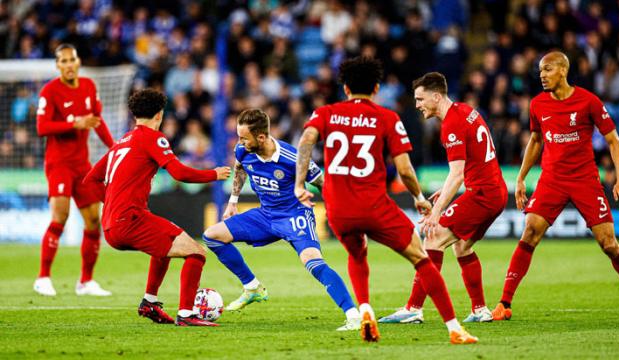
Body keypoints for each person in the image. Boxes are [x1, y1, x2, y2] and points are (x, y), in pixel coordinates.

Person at [294, 56, 477, 344]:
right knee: (421, 258)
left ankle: (365, 309)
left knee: (357, 254)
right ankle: (455, 329)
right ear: (377, 88)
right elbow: (404, 168)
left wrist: (299, 184)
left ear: (345, 88)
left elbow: (305, 140)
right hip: (375, 206)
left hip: (339, 210)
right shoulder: (387, 117)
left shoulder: (325, 112)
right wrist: (418, 197)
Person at [491, 52, 619, 321]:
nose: (542, 75)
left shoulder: (588, 101)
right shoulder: (537, 104)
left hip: (585, 180)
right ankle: (504, 303)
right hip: (552, 180)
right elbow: (536, 141)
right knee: (529, 232)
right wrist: (522, 177)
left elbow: (614, 141)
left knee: (608, 244)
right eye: (539, 71)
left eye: (547, 69)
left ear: (563, 70)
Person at [202, 108, 361, 331]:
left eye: (244, 138)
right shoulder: (244, 149)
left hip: (294, 215)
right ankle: (252, 287)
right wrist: (233, 201)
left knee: (313, 262)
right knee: (212, 236)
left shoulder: (293, 158)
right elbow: (240, 166)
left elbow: (323, 182)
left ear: (261, 137)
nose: (239, 142)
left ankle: (354, 316)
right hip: (265, 215)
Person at [84, 89, 231, 326]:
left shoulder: (120, 143)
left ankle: (150, 303)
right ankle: (186, 315)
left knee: (164, 246)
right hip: (130, 220)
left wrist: (112, 203)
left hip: (111, 226)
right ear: (159, 115)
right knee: (197, 252)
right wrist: (213, 174)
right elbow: (179, 173)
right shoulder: (153, 138)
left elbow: (89, 180)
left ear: (134, 115)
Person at [379, 72, 508, 324]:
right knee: (462, 246)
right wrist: (448, 192)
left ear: (436, 97)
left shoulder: (451, 124)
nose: (417, 105)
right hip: (495, 192)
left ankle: (413, 308)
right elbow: (471, 164)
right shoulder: (465, 110)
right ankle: (480, 310)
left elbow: (457, 173)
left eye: (420, 99)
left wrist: (437, 211)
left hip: (482, 195)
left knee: (433, 236)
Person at [34, 43, 114, 297]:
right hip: (58, 163)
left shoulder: (89, 87)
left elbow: (97, 122)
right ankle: (43, 277)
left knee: (93, 220)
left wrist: (114, 149)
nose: (68, 65)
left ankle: (86, 282)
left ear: (78, 62)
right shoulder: (50, 90)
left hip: (83, 164)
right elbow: (42, 127)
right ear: (57, 65)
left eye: (72, 60)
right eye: (63, 61)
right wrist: (73, 122)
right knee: (60, 216)